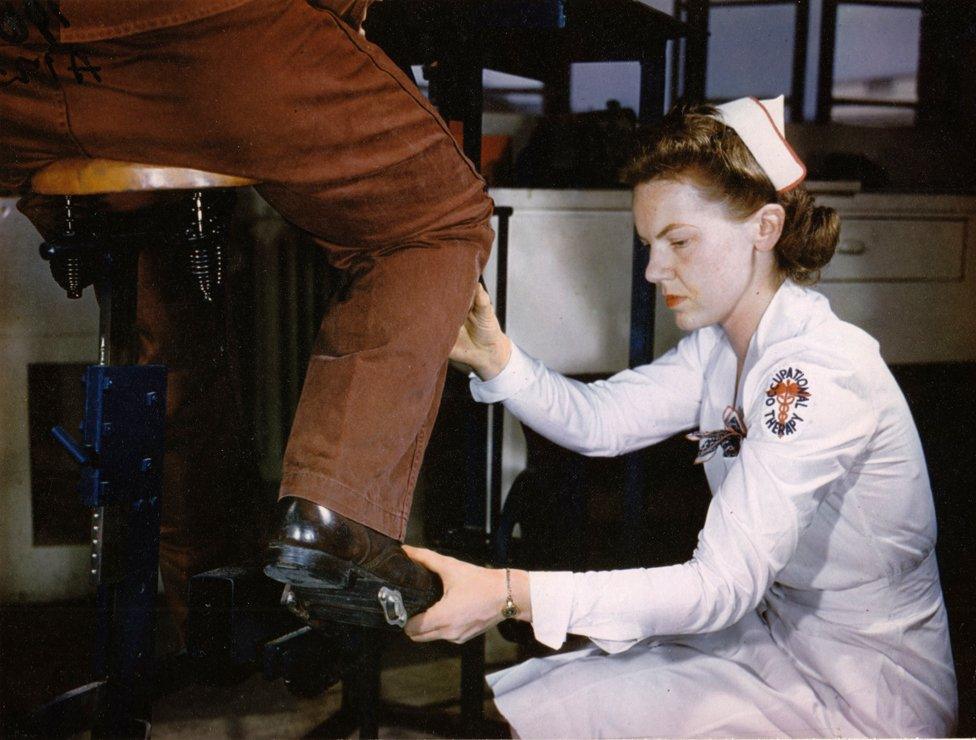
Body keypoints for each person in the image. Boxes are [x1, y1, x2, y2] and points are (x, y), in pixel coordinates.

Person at [402, 96, 958, 736]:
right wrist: (495, 358)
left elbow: (719, 586)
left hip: (870, 696)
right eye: (648, 244)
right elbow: (601, 421)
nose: (653, 269)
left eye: (679, 242)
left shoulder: (818, 372)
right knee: (575, 700)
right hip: (772, 650)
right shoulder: (723, 348)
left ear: (765, 228)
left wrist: (511, 591)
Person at [1, 0, 491, 628]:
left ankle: (197, 604)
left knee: (158, 273)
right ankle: (335, 513)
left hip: (21, 83)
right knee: (432, 220)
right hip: (205, 40)